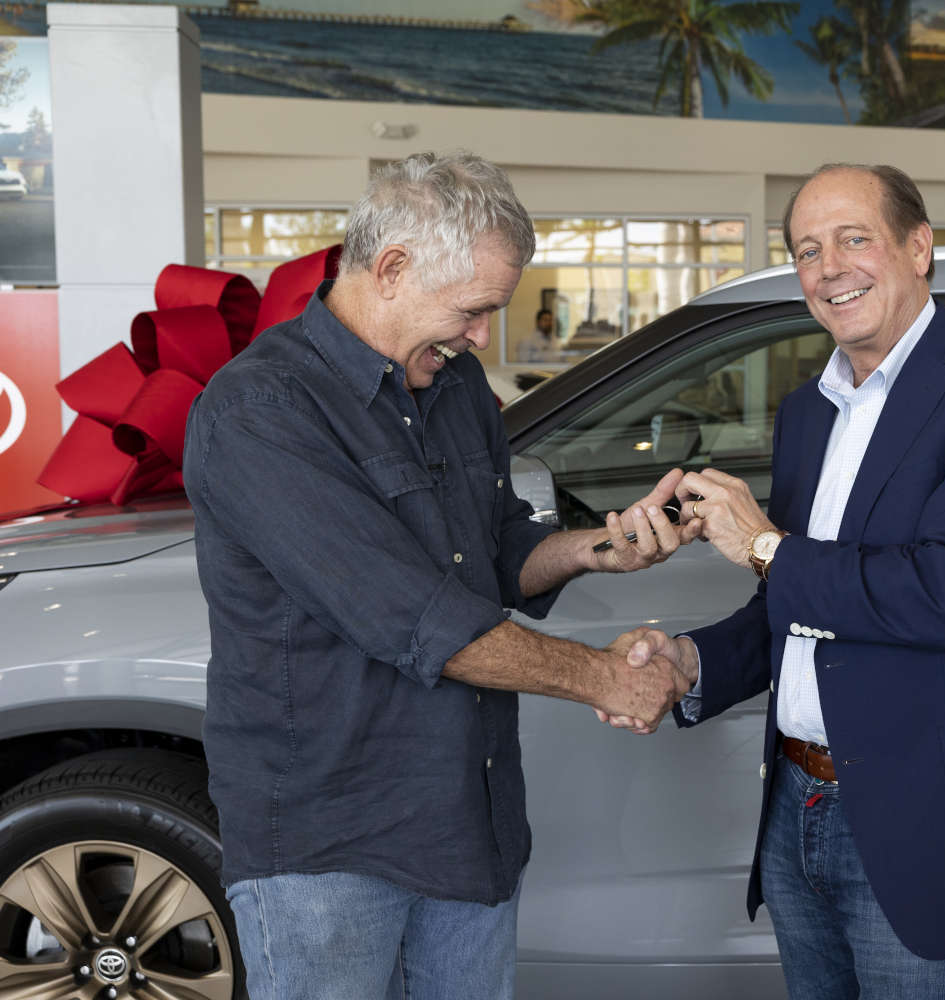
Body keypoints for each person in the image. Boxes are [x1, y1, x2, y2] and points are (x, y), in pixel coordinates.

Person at [182, 151, 696, 1000]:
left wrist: (598, 549)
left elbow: (488, 556)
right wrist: (603, 676)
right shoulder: (260, 411)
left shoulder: (453, 386)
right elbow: (412, 617)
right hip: (332, 844)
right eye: (473, 310)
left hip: (468, 818)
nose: (481, 338)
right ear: (391, 269)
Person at [608, 163, 945, 998]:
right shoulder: (808, 411)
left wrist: (762, 545)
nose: (829, 268)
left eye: (855, 238)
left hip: (929, 815)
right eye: (806, 250)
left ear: (920, 247)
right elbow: (794, 605)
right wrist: (687, 662)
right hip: (797, 804)